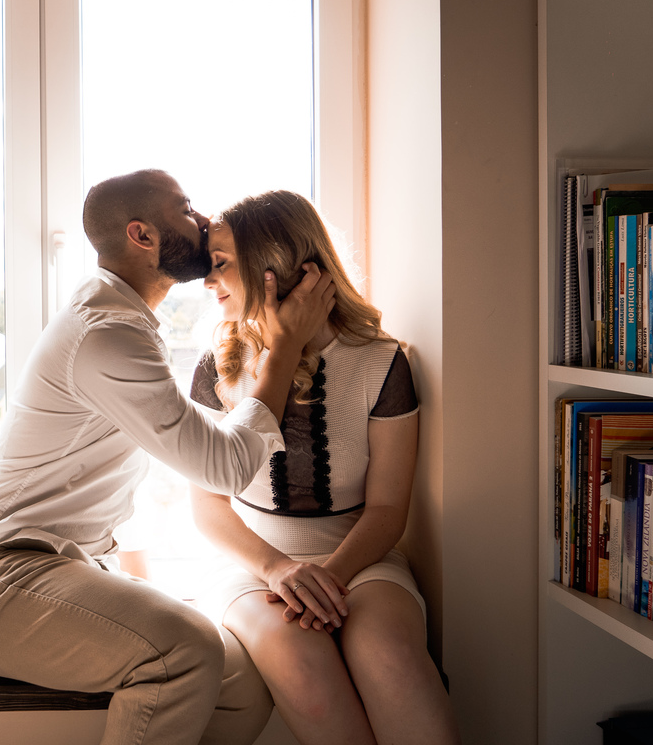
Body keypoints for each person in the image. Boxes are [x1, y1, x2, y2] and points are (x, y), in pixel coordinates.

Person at [0, 169, 335, 745]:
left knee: (243, 685)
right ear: (143, 236)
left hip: (56, 568)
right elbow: (221, 467)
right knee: (186, 649)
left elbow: (124, 474)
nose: (201, 218)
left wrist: (140, 582)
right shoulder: (108, 334)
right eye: (185, 207)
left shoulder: (125, 323)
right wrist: (285, 348)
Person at [188, 190, 460, 745]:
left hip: (363, 560)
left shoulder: (384, 361)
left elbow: (388, 509)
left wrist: (328, 578)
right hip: (250, 565)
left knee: (393, 662)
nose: (207, 280)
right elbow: (208, 508)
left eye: (219, 264)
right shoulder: (214, 368)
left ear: (274, 266)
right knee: (306, 676)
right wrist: (279, 571)